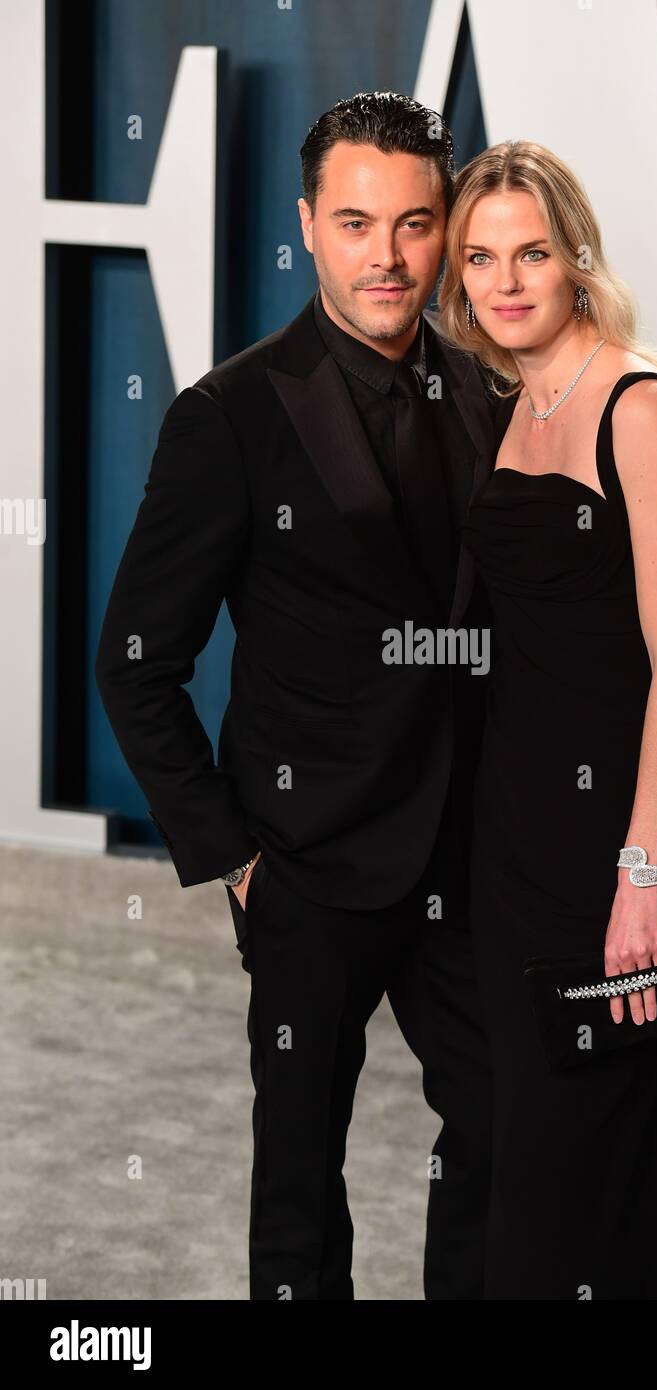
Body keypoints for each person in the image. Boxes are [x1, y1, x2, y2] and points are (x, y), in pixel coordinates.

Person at [95, 92, 500, 1301]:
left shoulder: (488, 390)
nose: (388, 257)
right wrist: (238, 858)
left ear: (444, 228)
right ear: (310, 226)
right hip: (308, 862)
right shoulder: (229, 416)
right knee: (299, 1191)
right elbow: (134, 660)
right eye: (358, 222)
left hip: (467, 859)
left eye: (417, 224)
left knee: (503, 1131)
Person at [437, 139, 657, 1300]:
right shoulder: (507, 403)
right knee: (536, 1117)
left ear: (576, 256)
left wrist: (641, 872)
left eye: (530, 251)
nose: (506, 279)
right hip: (517, 815)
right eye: (479, 257)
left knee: (622, 1098)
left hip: (624, 816)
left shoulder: (641, 403)